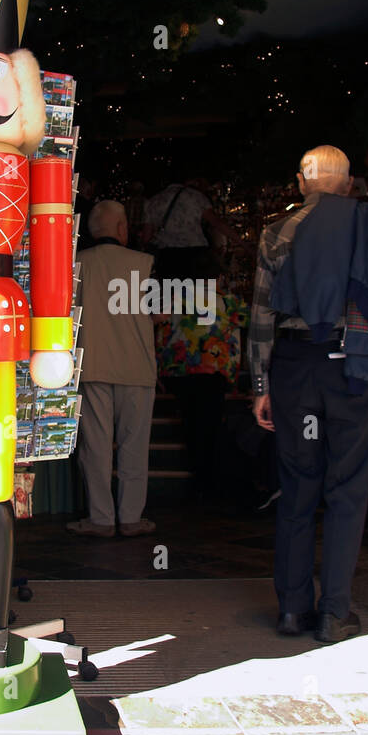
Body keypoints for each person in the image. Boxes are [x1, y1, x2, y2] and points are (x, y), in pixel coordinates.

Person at [248, 146, 368, 643]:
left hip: (295, 368)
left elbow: (261, 317)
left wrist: (261, 386)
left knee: (297, 489)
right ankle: (334, 612)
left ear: (301, 182)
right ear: (348, 185)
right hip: (353, 366)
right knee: (348, 491)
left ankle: (291, 610)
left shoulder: (277, 232)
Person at [67, 200, 157, 538]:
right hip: (137, 368)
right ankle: (131, 518)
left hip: (93, 366)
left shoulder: (77, 264)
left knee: (96, 448)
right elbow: (159, 314)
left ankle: (101, 519)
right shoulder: (143, 263)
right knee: (135, 446)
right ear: (122, 229)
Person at [154, 248, 248, 499]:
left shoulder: (172, 299)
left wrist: (159, 369)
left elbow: (161, 332)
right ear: (217, 276)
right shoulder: (229, 302)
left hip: (181, 372)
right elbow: (248, 322)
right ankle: (210, 483)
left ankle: (200, 480)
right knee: (212, 426)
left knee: (191, 425)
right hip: (214, 373)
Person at [142, 179, 228, 280]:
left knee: (170, 292)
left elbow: (146, 237)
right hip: (194, 253)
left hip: (166, 257)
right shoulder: (196, 197)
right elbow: (217, 223)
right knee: (195, 293)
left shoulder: (154, 200)